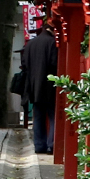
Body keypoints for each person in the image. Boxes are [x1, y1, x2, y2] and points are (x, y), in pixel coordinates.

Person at [19, 23, 58, 155]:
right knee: (53, 116)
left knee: (38, 116)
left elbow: (24, 64)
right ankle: (51, 145)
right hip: (50, 86)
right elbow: (54, 63)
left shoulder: (30, 44)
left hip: (34, 86)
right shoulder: (52, 43)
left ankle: (39, 145)